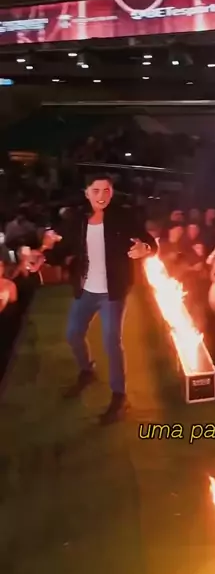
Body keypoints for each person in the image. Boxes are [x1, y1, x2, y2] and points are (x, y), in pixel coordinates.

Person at [42, 174, 156, 423]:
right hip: (85, 290)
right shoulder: (77, 219)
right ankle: (87, 371)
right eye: (96, 191)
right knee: (73, 334)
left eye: (106, 190)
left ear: (112, 192)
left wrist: (145, 249)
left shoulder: (123, 216)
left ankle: (119, 396)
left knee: (111, 341)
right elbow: (62, 250)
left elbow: (150, 242)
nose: (102, 196)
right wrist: (43, 257)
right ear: (87, 193)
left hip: (112, 293)